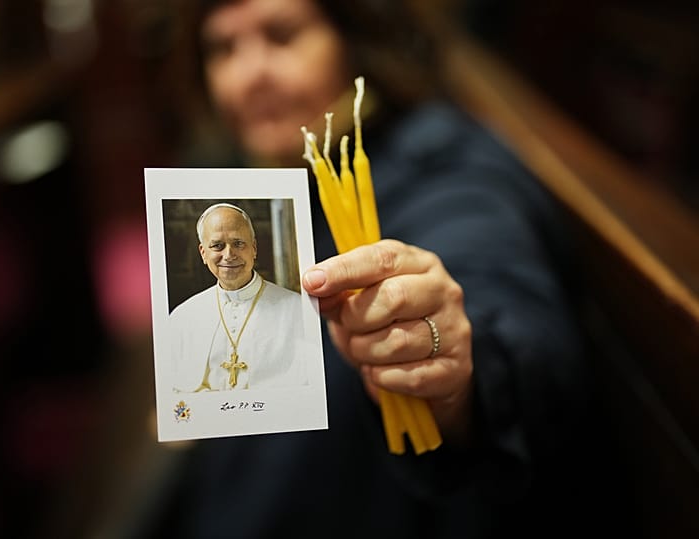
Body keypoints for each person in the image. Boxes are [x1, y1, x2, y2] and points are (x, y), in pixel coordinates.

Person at [139, 0, 629, 537]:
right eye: (222, 47)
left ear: (356, 37)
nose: (248, 74)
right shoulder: (254, 168)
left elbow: (510, 311)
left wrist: (459, 366)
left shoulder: (441, 165)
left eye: (281, 35)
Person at [167, 202, 308, 391]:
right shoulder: (182, 317)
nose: (228, 255)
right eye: (217, 246)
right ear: (203, 253)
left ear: (254, 248)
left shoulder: (298, 310)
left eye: (238, 243)